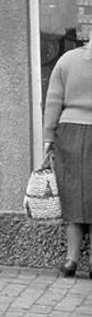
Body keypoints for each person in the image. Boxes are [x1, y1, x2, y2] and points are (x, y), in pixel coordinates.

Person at [43, 42, 92, 277]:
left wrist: (48, 136)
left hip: (69, 132)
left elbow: (53, 100)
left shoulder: (67, 60)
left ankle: (71, 261)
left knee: (73, 195)